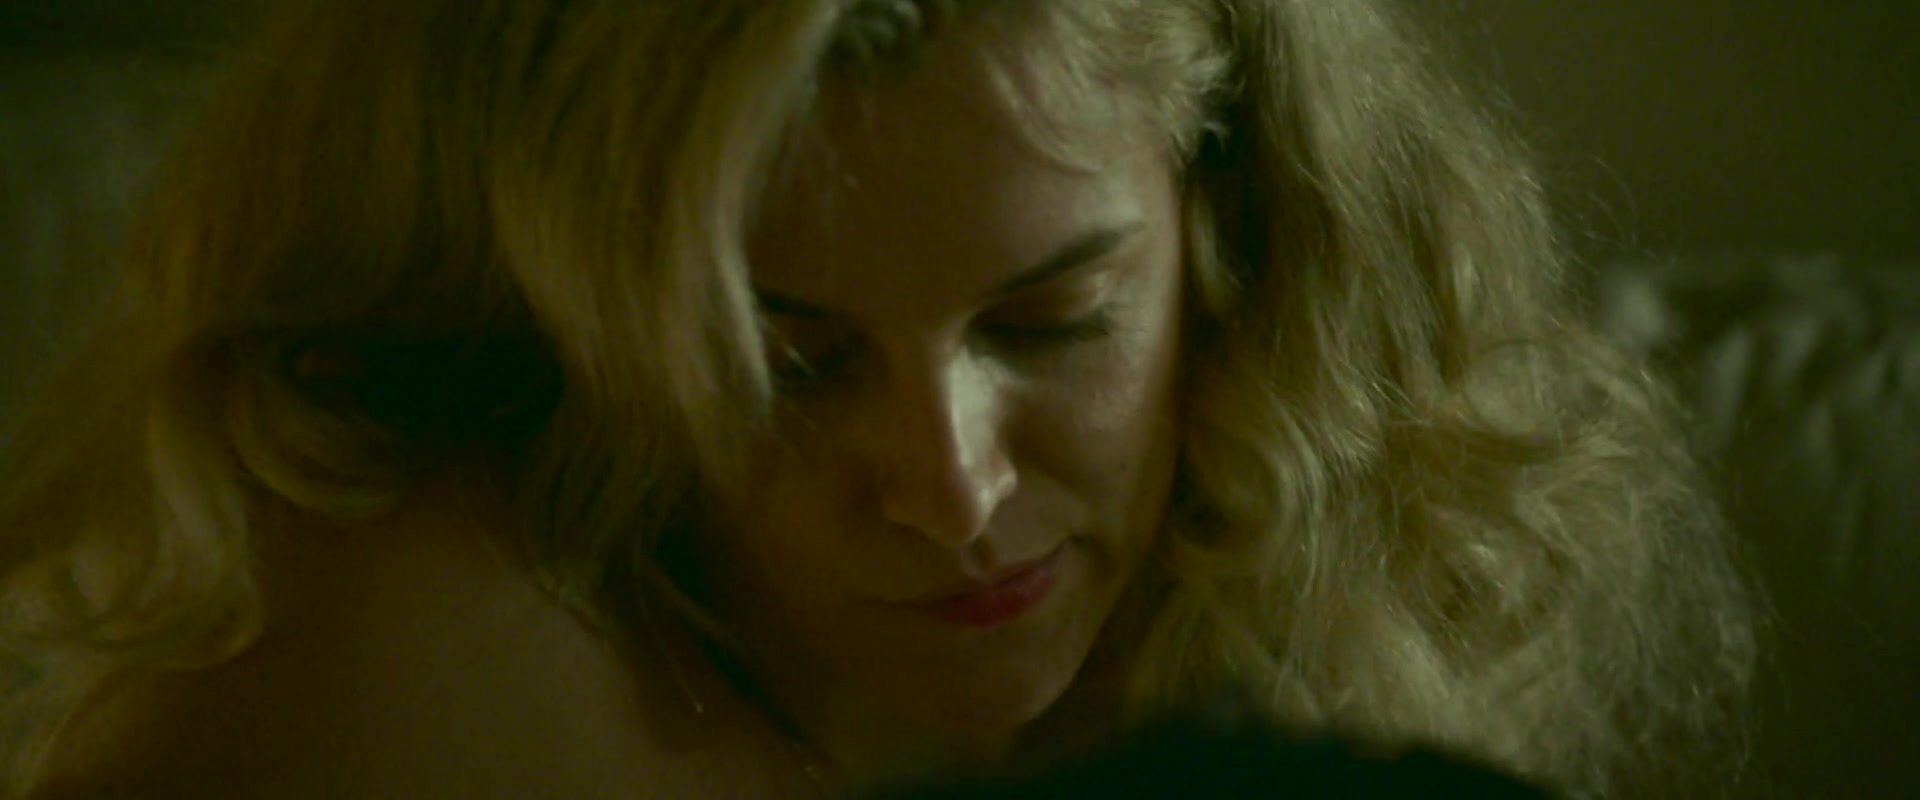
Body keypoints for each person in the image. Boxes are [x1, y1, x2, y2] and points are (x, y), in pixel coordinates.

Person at [0, 0, 1757, 797]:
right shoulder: (416, 653)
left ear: (1230, 241)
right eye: (787, 361)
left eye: (1055, 322)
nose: (951, 485)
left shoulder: (1275, 605)